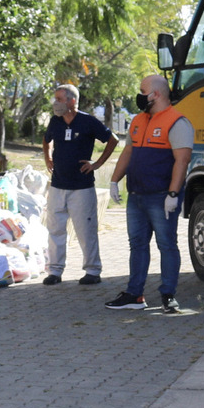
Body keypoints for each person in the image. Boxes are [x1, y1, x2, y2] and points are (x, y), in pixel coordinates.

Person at [105, 74, 193, 313]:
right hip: (136, 195)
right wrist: (115, 181)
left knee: (167, 245)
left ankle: (168, 295)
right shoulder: (138, 120)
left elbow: (182, 161)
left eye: (143, 91)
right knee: (137, 245)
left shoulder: (177, 122)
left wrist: (173, 195)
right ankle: (135, 295)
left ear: (156, 94)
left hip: (161, 196)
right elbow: (128, 153)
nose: (140, 95)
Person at [41, 83, 117, 286]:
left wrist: (97, 164)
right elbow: (46, 139)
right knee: (55, 229)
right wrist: (48, 157)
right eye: (55, 99)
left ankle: (92, 271)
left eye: (59, 99)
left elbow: (113, 140)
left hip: (82, 188)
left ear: (71, 101)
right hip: (57, 185)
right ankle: (55, 272)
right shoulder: (55, 121)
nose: (55, 103)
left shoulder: (88, 122)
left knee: (85, 230)